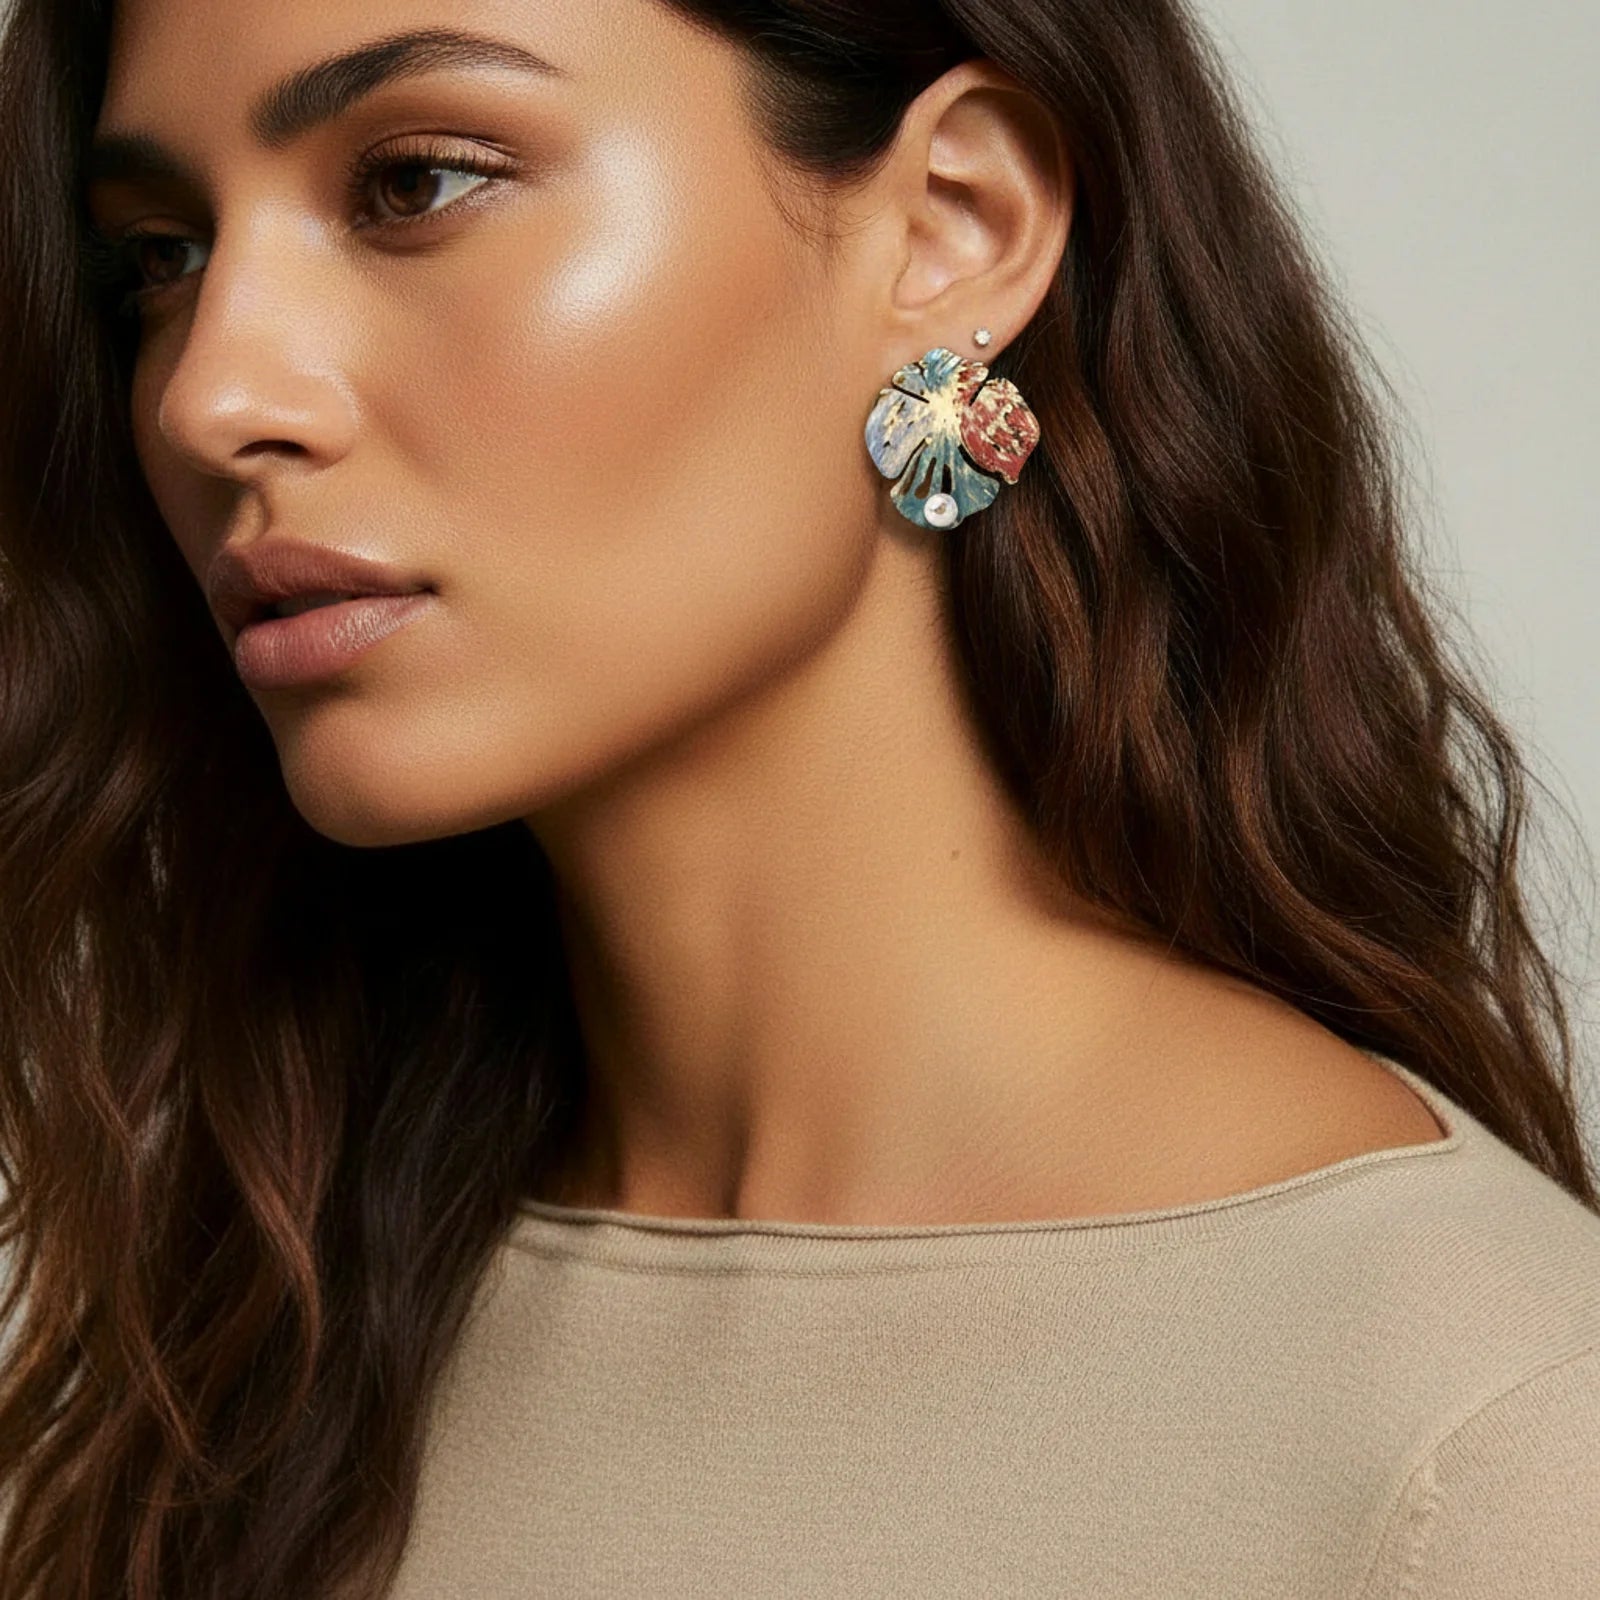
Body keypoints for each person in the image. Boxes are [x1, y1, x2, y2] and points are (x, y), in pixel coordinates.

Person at [0, 0, 1594, 1596]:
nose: (211, 395)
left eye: (415, 182)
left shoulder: (1482, 1444)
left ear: (953, 229)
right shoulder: (250, 1331)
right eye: (160, 255)